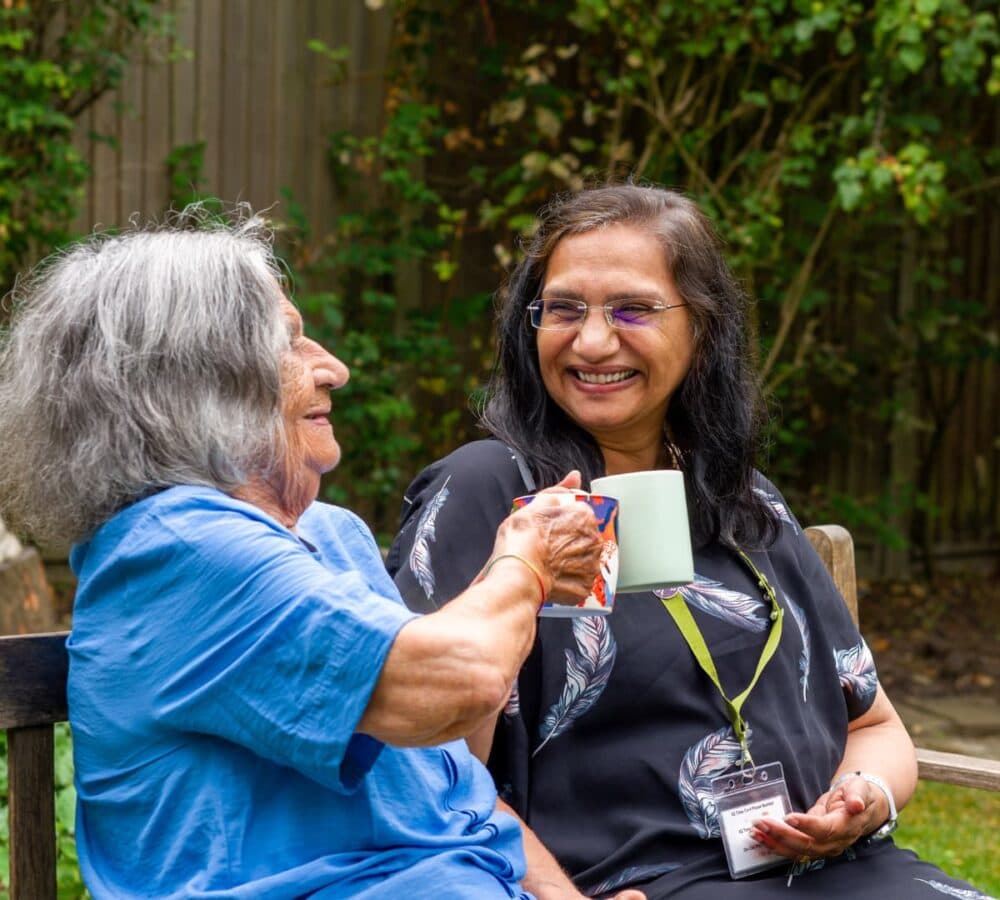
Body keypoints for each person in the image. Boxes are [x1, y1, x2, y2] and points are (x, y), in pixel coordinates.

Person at [387, 185, 996, 900]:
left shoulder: (740, 495)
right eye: (563, 309)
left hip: (844, 873)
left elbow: (877, 725)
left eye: (632, 309)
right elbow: (423, 771)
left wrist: (862, 800)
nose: (591, 340)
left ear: (703, 329)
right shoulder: (489, 493)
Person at [0, 207, 627, 899]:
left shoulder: (330, 534)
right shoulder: (178, 550)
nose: (335, 367)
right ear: (190, 385)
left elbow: (451, 784)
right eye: (289, 344)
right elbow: (459, 681)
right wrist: (524, 567)